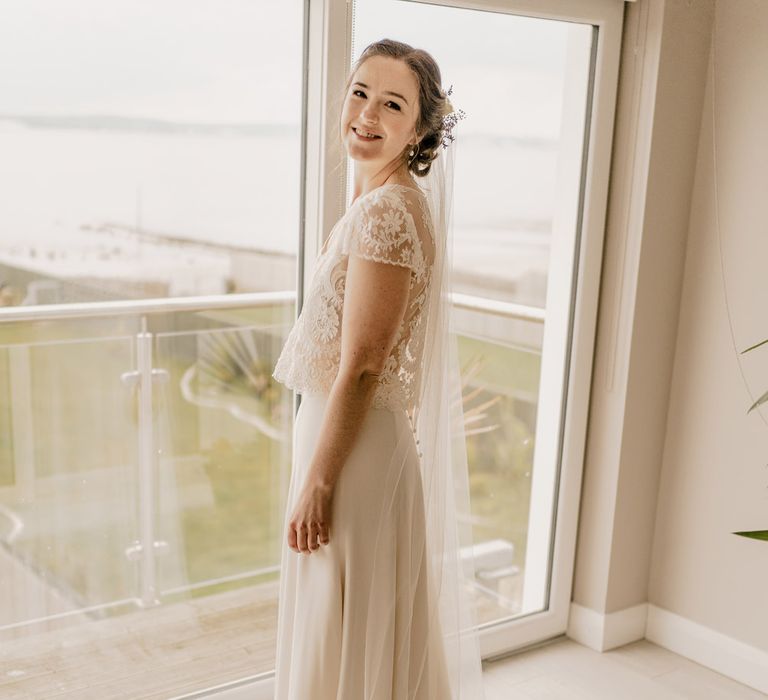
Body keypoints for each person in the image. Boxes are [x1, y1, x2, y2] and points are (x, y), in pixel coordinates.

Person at [272, 38, 484, 699]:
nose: (367, 112)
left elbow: (363, 367)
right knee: (347, 620)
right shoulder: (384, 202)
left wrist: (319, 482)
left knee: (346, 619)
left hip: (354, 456)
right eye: (360, 92)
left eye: (392, 104)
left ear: (420, 128)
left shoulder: (388, 211)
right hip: (352, 443)